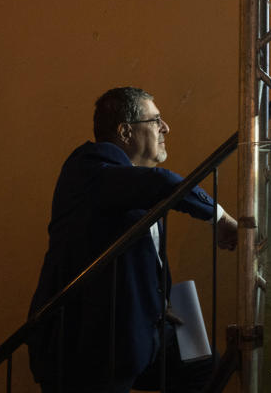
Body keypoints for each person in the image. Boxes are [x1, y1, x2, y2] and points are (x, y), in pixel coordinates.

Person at [27, 87, 237, 393]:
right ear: (125, 131)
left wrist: (156, 302)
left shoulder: (132, 184)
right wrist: (219, 216)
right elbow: (164, 182)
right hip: (88, 342)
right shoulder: (89, 167)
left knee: (202, 364)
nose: (166, 128)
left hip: (136, 331)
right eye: (156, 120)